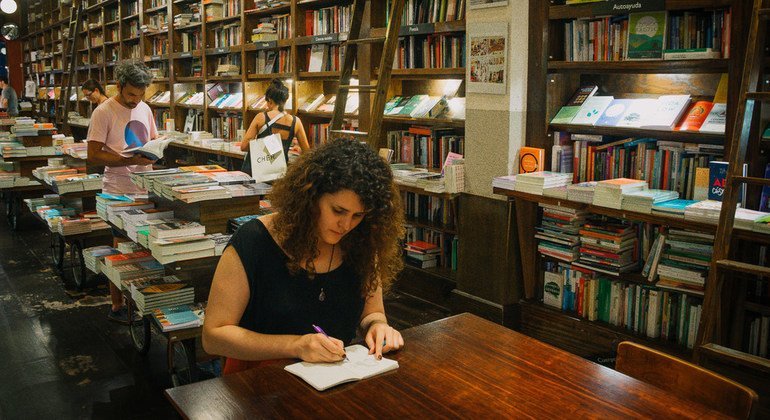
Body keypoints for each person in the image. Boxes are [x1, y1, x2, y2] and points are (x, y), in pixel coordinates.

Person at [203, 139, 405, 374]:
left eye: (358, 215)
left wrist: (378, 325)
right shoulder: (254, 241)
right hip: (257, 382)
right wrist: (296, 345)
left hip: (333, 378)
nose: (346, 225)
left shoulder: (361, 242)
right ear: (311, 195)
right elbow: (213, 336)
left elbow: (372, 311)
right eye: (338, 210)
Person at [86, 61, 159, 323]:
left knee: (144, 250)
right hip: (117, 191)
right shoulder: (103, 112)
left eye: (140, 96)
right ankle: (117, 305)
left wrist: (155, 153)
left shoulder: (145, 108)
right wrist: (129, 161)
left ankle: (140, 299)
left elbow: (152, 141)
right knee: (120, 251)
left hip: (145, 189)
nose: (134, 101)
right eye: (130, 95)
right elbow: (93, 155)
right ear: (119, 86)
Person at [240, 79, 310, 175]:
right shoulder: (296, 121)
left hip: (256, 171)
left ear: (270, 100)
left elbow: (244, 146)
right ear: (285, 100)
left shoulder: (261, 117)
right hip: (278, 173)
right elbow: (307, 153)